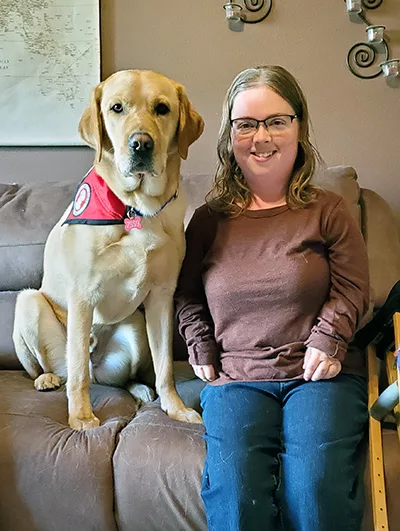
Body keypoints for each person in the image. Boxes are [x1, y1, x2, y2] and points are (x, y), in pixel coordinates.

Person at [174, 65, 370, 531]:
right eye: (246, 124)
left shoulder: (328, 209)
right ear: (229, 135)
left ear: (299, 127)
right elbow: (185, 295)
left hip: (318, 376)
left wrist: (330, 338)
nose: (261, 137)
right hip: (236, 377)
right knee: (238, 500)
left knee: (314, 491)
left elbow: (354, 286)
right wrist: (199, 343)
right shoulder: (207, 219)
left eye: (276, 121)